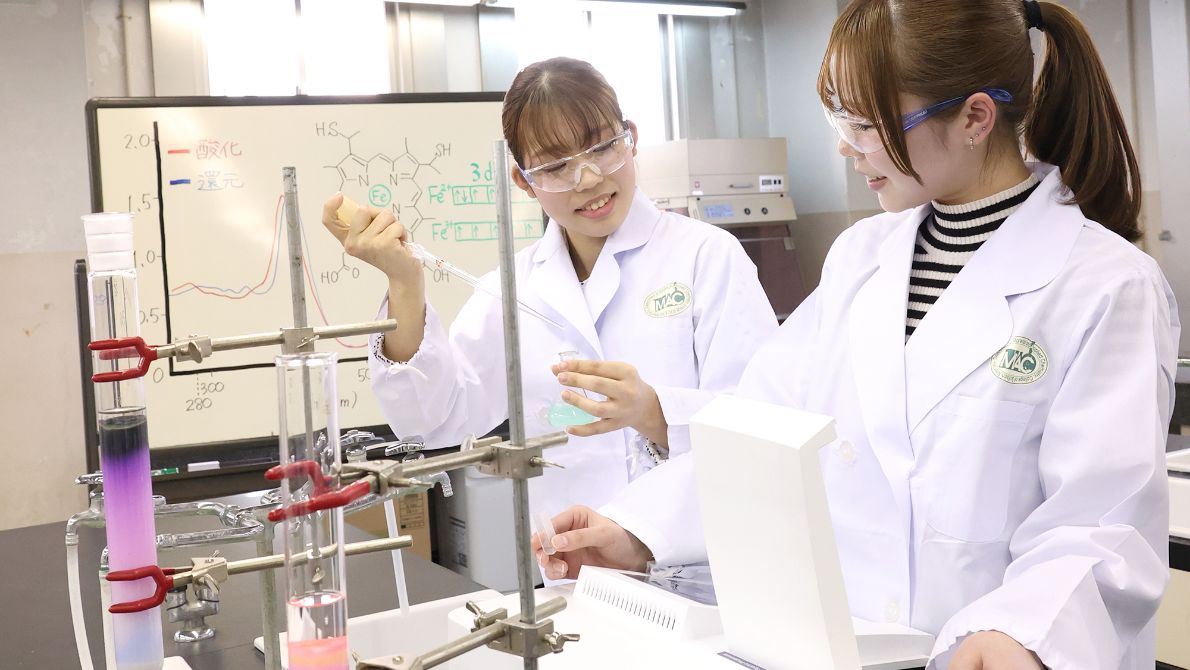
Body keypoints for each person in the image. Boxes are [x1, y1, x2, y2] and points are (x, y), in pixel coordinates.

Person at [534, 2, 1179, 668]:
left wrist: (1021, 631)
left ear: (975, 118)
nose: (845, 146)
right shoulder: (861, 257)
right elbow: (762, 430)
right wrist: (638, 531)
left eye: (865, 125)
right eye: (839, 118)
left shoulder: (1105, 286)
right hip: (854, 649)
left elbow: (1103, 524)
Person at [320, 57, 777, 537]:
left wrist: (653, 411)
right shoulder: (513, 288)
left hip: (702, 564)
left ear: (631, 138)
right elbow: (433, 422)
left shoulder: (706, 256)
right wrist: (405, 282)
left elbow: (767, 423)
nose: (588, 178)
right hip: (572, 567)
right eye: (557, 166)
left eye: (603, 147)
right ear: (524, 181)